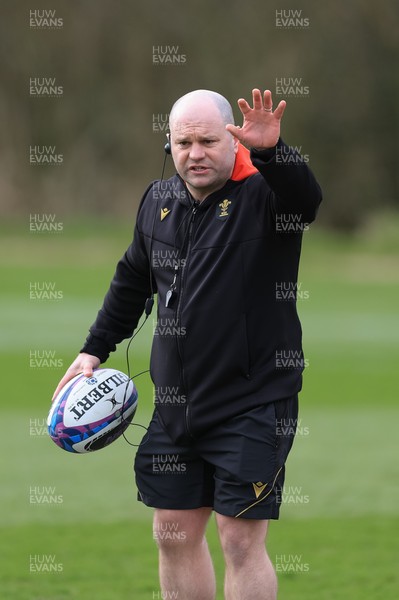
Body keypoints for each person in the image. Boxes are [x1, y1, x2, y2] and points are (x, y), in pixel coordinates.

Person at [53, 88, 322, 600]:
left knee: (240, 540)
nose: (194, 153)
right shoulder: (159, 200)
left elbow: (306, 199)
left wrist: (273, 152)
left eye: (207, 141)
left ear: (233, 140)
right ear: (169, 144)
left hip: (253, 403)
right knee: (172, 531)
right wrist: (94, 348)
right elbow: (133, 278)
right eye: (183, 142)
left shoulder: (266, 196)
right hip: (176, 406)